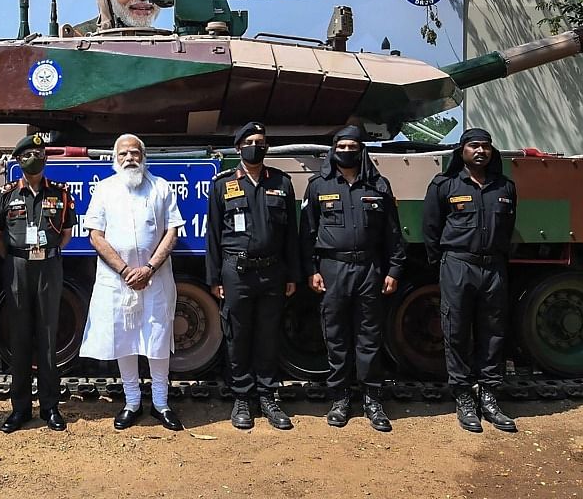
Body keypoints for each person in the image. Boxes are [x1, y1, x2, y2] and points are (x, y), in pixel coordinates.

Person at [299, 125, 404, 433]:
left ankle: (373, 399)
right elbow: (306, 233)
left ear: (362, 150)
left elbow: (393, 235)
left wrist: (394, 270)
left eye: (352, 146)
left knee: (369, 337)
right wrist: (311, 270)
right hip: (332, 269)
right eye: (341, 146)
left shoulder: (379, 184)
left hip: (369, 269)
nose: (347, 151)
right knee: (336, 337)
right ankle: (340, 398)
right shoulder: (318, 185)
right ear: (333, 150)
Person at [80, 133, 186, 431]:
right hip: (117, 281)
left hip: (156, 279)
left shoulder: (161, 188)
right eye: (124, 153)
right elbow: (95, 235)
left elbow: (172, 232)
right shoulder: (104, 189)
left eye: (135, 153)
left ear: (144, 157)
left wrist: (149, 269)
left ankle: (162, 404)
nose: (130, 158)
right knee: (124, 339)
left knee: (157, 338)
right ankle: (132, 402)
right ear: (116, 158)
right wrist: (126, 270)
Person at [421, 127, 519, 433]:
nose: (481, 151)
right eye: (474, 145)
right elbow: (431, 229)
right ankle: (463, 396)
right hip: (458, 265)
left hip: (493, 267)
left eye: (486, 146)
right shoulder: (444, 184)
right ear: (461, 151)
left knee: (493, 333)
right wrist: (444, 264)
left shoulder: (505, 187)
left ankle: (489, 396)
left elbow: (509, 227)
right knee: (456, 331)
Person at [206, 121, 299, 430]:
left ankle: (268, 396)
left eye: (261, 141)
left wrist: (292, 273)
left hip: (273, 271)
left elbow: (291, 235)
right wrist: (215, 278)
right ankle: (242, 398)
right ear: (238, 149)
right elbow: (214, 236)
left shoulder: (282, 182)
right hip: (236, 271)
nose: (256, 146)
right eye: (250, 142)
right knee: (238, 335)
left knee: (268, 336)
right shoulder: (222, 184)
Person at [0, 133, 76, 432]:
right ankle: (20, 408)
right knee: (20, 339)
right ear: (18, 160)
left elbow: (66, 232)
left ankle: (50, 407)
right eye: (27, 154)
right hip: (17, 267)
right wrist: (16, 258)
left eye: (39, 153)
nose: (34, 159)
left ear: (46, 158)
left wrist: (48, 252)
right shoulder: (6, 193)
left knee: (49, 338)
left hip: (49, 266)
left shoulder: (61, 193)